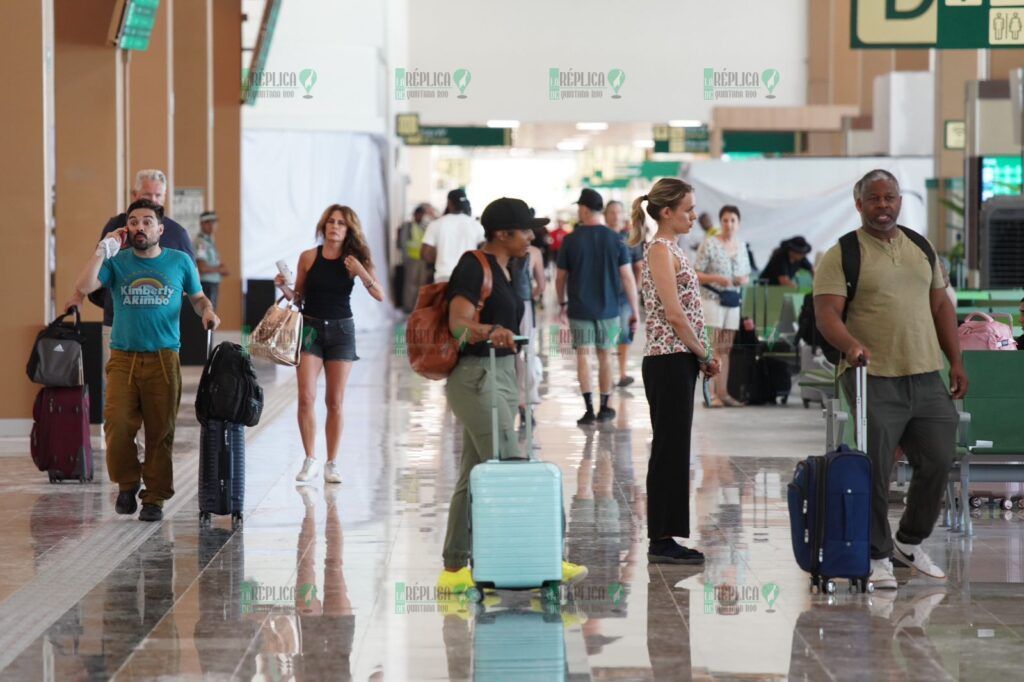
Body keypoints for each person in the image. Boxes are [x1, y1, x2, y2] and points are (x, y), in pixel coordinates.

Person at [814, 169, 966, 591]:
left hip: (925, 372)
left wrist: (955, 361)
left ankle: (908, 541)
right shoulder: (842, 253)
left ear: (900, 201)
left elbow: (941, 308)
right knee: (875, 468)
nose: (884, 206)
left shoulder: (921, 247)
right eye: (875, 199)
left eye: (891, 198)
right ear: (859, 203)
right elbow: (826, 312)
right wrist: (850, 346)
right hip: (871, 375)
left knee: (937, 457)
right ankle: (877, 554)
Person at [437, 197, 587, 594]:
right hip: (476, 377)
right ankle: (547, 559)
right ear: (502, 234)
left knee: (473, 475)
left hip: (499, 373)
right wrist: (490, 331)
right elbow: (457, 325)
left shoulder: (507, 268)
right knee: (513, 468)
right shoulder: (474, 266)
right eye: (525, 230)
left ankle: (453, 572)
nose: (532, 236)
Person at [64, 199, 219, 522]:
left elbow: (198, 296)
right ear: (126, 228)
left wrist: (207, 312)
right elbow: (84, 285)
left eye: (147, 222)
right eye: (133, 222)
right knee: (118, 426)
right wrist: (102, 249)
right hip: (123, 358)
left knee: (160, 432)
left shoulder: (179, 261)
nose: (140, 227)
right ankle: (127, 483)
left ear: (160, 230)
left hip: (164, 358)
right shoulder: (117, 262)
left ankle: (154, 499)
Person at [627, 179, 720, 564]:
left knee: (675, 448)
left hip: (678, 359)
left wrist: (699, 354)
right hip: (669, 359)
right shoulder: (659, 251)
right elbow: (674, 314)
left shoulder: (673, 250)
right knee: (669, 449)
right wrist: (704, 353)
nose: (693, 216)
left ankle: (667, 535)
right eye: (687, 210)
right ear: (666, 213)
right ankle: (661, 539)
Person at [275, 204, 385, 485]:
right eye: (331, 222)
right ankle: (310, 458)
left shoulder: (355, 260)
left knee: (334, 401)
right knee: (306, 396)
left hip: (341, 332)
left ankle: (332, 462)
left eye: (341, 223)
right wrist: (284, 289)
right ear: (323, 226)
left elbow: (379, 295)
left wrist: (361, 271)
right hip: (310, 329)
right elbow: (299, 298)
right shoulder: (309, 257)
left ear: (349, 230)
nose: (335, 227)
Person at [66, 170, 196, 368]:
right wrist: (77, 297)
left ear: (165, 197)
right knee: (114, 388)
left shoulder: (177, 233)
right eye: (147, 194)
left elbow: (190, 280)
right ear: (134, 195)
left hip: (160, 332)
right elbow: (97, 264)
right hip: (117, 323)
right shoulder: (116, 226)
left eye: (158, 195)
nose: (153, 200)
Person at [556, 189, 640, 425]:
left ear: (584, 209)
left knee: (583, 357)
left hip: (579, 309)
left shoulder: (571, 240)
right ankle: (605, 407)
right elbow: (627, 277)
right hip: (609, 310)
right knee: (605, 357)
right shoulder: (616, 239)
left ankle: (588, 410)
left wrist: (562, 302)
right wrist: (635, 310)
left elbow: (560, 278)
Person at [694, 205, 751, 407]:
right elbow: (696, 274)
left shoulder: (741, 246)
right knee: (713, 348)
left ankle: (724, 392)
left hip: (732, 300)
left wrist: (742, 280)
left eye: (733, 220)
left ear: (738, 223)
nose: (729, 224)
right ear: (720, 223)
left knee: (725, 349)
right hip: (712, 298)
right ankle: (711, 395)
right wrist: (717, 278)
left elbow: (746, 273)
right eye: (725, 220)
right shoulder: (709, 244)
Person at [607, 200, 644, 388]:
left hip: (624, 296)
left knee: (624, 334)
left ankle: (621, 373)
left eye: (618, 212)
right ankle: (609, 373)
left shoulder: (630, 238)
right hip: (604, 296)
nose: (615, 216)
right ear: (605, 215)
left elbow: (639, 266)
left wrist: (635, 292)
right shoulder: (602, 237)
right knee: (607, 336)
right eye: (611, 212)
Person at [512, 227, 546, 427]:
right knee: (527, 354)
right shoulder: (533, 252)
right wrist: (528, 297)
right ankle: (526, 405)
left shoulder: (497, 250)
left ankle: (514, 402)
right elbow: (541, 286)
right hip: (524, 305)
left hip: (503, 307)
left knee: (509, 355)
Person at [421, 189, 485, 283]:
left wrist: (441, 256)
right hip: (469, 277)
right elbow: (484, 250)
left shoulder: (436, 224)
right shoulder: (476, 225)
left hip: (443, 277)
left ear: (449, 203)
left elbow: (425, 254)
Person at [398, 203, 435, 312]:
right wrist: (405, 259)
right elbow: (404, 243)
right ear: (415, 215)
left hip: (422, 259)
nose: (420, 217)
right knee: (410, 284)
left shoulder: (425, 227)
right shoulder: (408, 226)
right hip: (411, 259)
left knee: (421, 284)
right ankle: (408, 307)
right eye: (419, 214)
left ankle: (417, 306)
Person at [194, 211, 229, 310]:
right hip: (206, 284)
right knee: (208, 314)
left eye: (214, 222)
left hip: (212, 283)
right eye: (208, 222)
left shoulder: (209, 241)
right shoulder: (201, 243)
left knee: (211, 314)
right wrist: (219, 270)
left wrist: (219, 267)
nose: (212, 225)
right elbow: (202, 267)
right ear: (201, 224)